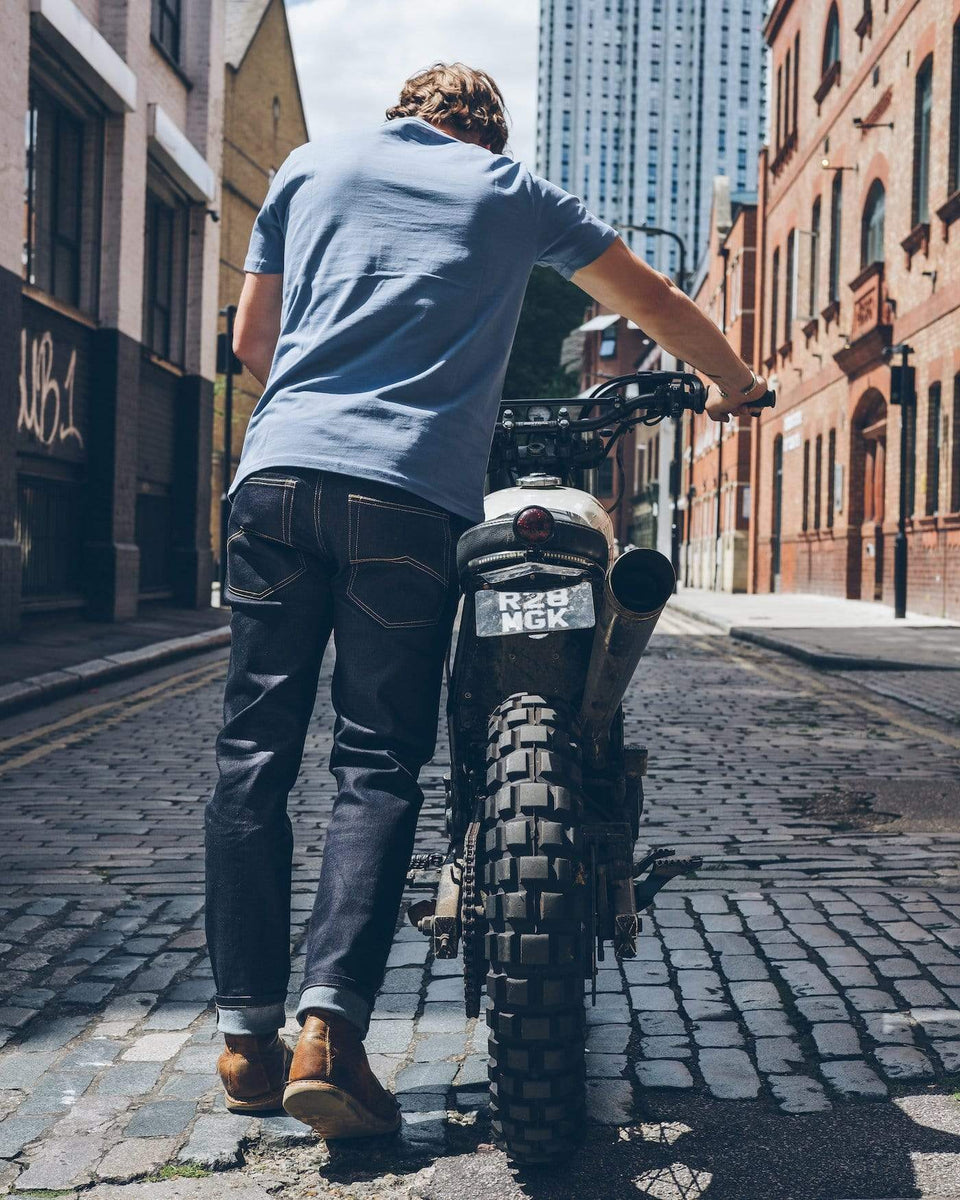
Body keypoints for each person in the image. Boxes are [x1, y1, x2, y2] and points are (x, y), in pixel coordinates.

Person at [206, 62, 767, 1139]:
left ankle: (244, 1039)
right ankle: (330, 1030)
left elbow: (250, 347)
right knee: (373, 761)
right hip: (410, 497)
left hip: (273, 483)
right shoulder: (508, 192)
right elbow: (649, 302)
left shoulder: (306, 168)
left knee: (252, 755)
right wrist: (737, 385)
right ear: (490, 135)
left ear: (401, 114)